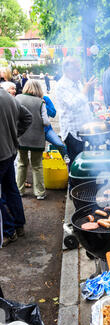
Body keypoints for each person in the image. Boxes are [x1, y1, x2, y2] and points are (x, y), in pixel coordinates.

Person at [0, 85, 32, 246]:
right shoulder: (8, 97)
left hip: (2, 154)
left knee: (9, 191)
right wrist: (15, 135)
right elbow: (28, 117)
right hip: (10, 151)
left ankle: (9, 230)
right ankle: (19, 226)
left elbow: (28, 117)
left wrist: (15, 134)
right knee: (11, 189)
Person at [55, 56, 96, 174]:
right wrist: (86, 90)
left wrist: (90, 103)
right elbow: (72, 104)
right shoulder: (61, 85)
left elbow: (80, 101)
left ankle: (84, 184)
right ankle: (74, 187)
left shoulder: (76, 82)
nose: (81, 71)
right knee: (76, 163)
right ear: (69, 71)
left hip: (83, 128)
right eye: (78, 69)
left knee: (84, 160)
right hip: (73, 132)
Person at [15, 79, 51, 200]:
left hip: (21, 137)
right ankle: (40, 193)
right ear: (38, 89)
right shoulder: (41, 102)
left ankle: (19, 190)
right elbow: (46, 122)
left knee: (21, 163)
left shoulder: (18, 98)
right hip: (37, 138)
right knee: (37, 165)